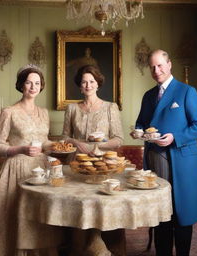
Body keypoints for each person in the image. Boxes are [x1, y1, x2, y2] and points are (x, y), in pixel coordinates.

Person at [131, 49, 197, 256]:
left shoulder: (187, 91)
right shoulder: (149, 95)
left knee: (182, 215)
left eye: (160, 65)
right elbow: (142, 122)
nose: (156, 70)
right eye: (152, 67)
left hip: (181, 162)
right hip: (154, 161)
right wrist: (138, 131)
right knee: (160, 214)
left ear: (169, 65)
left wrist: (174, 137)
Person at [0, 64, 63, 256]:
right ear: (21, 85)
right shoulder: (9, 112)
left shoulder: (44, 112)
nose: (33, 87)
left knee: (38, 214)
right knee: (14, 216)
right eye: (29, 82)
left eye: (37, 83)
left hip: (40, 169)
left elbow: (44, 141)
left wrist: (53, 146)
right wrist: (20, 149)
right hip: (16, 170)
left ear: (41, 86)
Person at [62, 64, 125, 256]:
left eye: (91, 81)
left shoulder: (110, 107)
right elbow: (64, 137)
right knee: (79, 204)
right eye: (84, 82)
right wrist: (77, 143)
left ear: (98, 84)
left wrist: (99, 145)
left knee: (100, 204)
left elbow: (119, 139)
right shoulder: (72, 108)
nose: (88, 85)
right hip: (77, 163)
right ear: (79, 86)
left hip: (103, 164)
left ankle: (102, 244)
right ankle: (78, 245)